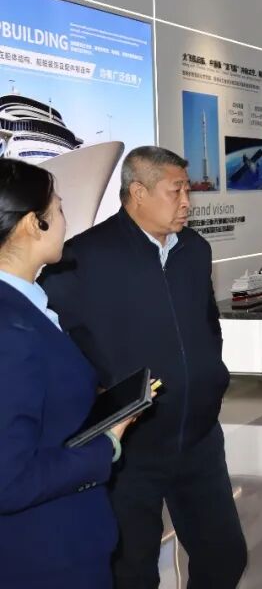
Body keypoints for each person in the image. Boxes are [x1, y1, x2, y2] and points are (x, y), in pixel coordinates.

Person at [41, 147, 247, 589]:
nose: (187, 201)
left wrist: (212, 377)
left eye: (188, 190)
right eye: (176, 191)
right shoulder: (83, 258)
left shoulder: (195, 250)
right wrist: (101, 395)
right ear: (138, 192)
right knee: (132, 570)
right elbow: (58, 340)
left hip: (198, 438)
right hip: (130, 447)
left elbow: (207, 322)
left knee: (225, 556)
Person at [0, 158, 135, 588]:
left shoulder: (25, 305)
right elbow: (8, 480)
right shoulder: (11, 330)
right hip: (43, 556)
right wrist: (106, 444)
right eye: (58, 209)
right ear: (32, 224)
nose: (65, 221)